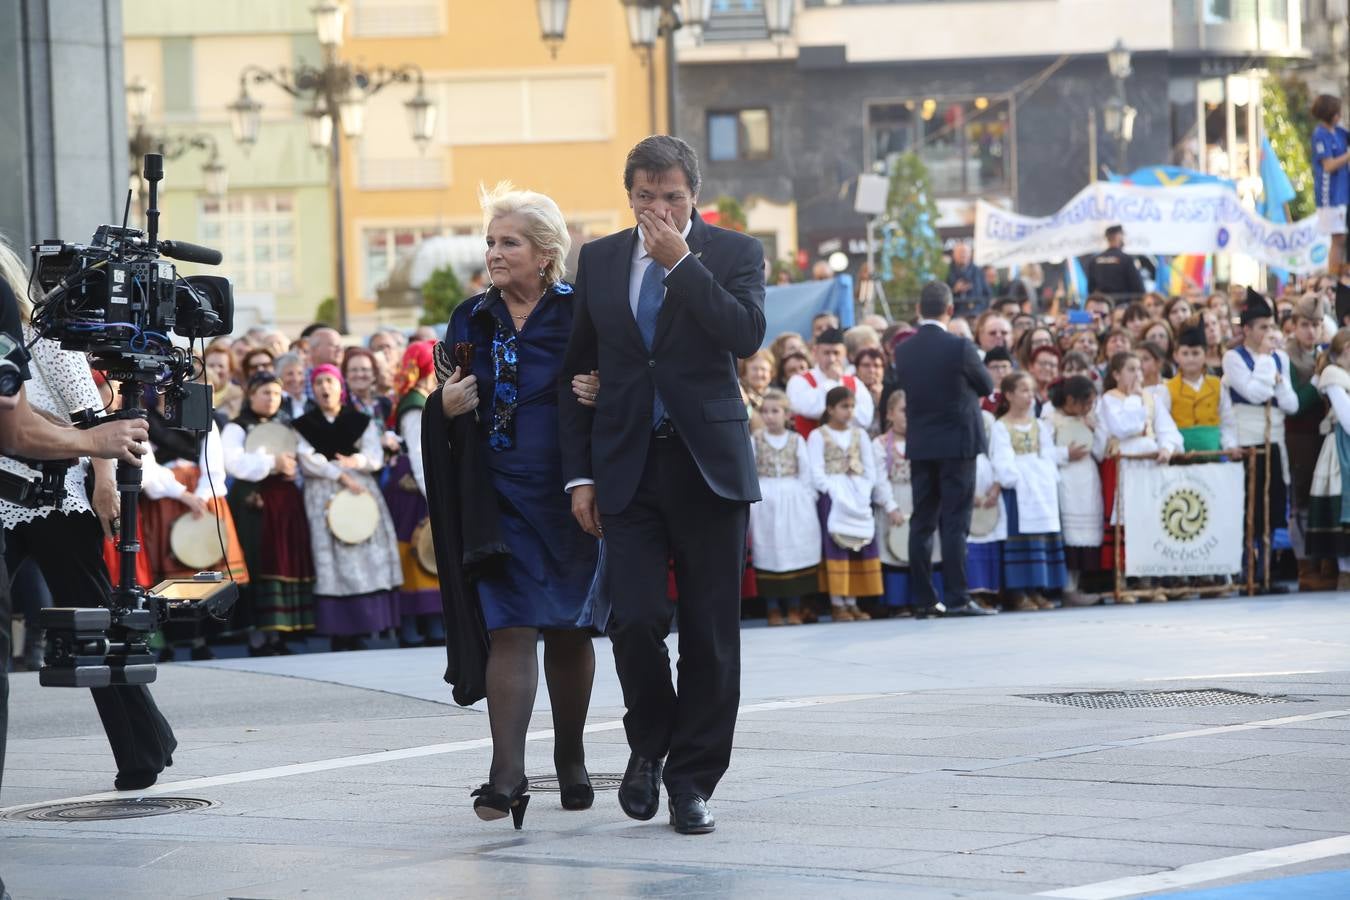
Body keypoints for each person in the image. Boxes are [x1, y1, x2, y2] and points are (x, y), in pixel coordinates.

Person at [559, 135, 765, 835]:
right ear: (630, 196)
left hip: (708, 466)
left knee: (711, 635)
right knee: (635, 619)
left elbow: (744, 334)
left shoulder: (734, 254)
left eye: (671, 196)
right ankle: (650, 743)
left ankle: (692, 781)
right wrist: (580, 475)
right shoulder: (601, 258)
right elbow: (579, 367)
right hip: (627, 467)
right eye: (645, 196)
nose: (658, 209)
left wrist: (683, 265)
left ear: (692, 195)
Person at [431, 184, 603, 831]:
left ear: (545, 253)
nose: (494, 253)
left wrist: (603, 387)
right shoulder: (469, 318)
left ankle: (571, 753)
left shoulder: (581, 312)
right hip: (494, 496)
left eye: (509, 242)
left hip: (568, 494)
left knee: (567, 628)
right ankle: (507, 773)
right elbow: (441, 398)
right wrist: (439, 407)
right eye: (491, 242)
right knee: (510, 626)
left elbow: (622, 381)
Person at [0, 239, 175, 794]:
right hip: (6, 498)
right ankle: (150, 741)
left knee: (92, 626)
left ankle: (142, 747)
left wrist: (104, 484)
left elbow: (94, 420)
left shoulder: (48, 339)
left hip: (57, 501)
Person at [893, 280, 997, 618]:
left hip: (922, 444)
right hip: (958, 443)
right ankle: (957, 597)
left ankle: (923, 599)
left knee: (922, 521)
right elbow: (987, 384)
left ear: (919, 310)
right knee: (955, 522)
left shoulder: (904, 350)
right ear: (950, 310)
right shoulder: (960, 347)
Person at [294, 364, 402, 649]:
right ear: (313, 389)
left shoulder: (360, 420)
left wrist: (358, 463)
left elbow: (375, 456)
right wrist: (339, 474)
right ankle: (338, 629)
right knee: (331, 556)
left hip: (359, 490)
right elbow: (307, 460)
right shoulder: (305, 424)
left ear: (340, 386)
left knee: (362, 550)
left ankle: (364, 626)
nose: (324, 388)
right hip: (325, 491)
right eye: (318, 383)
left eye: (330, 381)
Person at [221, 371, 315, 655]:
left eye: (276, 393)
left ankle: (282, 632)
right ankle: (258, 635)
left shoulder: (286, 425)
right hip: (253, 500)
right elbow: (233, 464)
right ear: (251, 396)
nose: (272, 398)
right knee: (258, 561)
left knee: (285, 559)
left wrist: (291, 467)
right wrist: (271, 462)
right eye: (265, 393)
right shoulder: (237, 427)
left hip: (285, 501)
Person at [1221, 290, 1299, 589]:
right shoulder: (1234, 357)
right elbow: (1255, 393)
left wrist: (1277, 377)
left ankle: (1267, 571)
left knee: (1273, 506)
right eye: (1262, 327)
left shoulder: (1281, 358)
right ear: (1247, 329)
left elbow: (1290, 403)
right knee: (1249, 506)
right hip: (1247, 439)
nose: (1269, 333)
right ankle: (1247, 569)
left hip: (1274, 439)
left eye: (1271, 327)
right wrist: (1268, 364)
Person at [1096, 351, 1183, 603]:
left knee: (1148, 519)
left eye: (1139, 369)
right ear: (1116, 374)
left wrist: (1167, 448)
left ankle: (1148, 579)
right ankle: (1122, 580)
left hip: (1149, 465)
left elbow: (1169, 430)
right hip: (1125, 464)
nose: (1137, 375)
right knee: (1124, 520)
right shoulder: (1110, 400)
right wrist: (1134, 401)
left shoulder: (1151, 399)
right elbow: (1124, 428)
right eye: (1131, 369)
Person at [382, 341, 445, 647]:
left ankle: (434, 622)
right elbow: (420, 453)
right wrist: (432, 493)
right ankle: (412, 627)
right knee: (414, 552)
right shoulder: (414, 404)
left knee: (430, 552)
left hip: (422, 483)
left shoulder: (424, 398)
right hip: (415, 488)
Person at [991, 372, 1068, 611]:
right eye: (1023, 390)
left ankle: (1038, 588)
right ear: (1009, 395)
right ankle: (1018, 592)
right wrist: (1016, 477)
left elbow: (1048, 452)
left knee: (1041, 539)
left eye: (1031, 391)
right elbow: (1002, 459)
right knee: (1020, 539)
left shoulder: (1038, 425)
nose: (1029, 396)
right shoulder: (1001, 426)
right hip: (1019, 489)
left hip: (1039, 486)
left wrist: (1043, 472)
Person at [806, 387, 882, 621]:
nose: (849, 412)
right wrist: (832, 490)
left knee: (857, 544)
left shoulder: (860, 435)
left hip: (857, 495)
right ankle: (837, 602)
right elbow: (816, 470)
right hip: (834, 497)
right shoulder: (819, 435)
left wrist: (864, 488)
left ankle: (854, 601)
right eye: (844, 407)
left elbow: (870, 468)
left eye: (852, 406)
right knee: (837, 545)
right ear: (830, 409)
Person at [749, 389, 820, 626]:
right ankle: (772, 608)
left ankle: (794, 607)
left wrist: (806, 497)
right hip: (766, 503)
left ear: (787, 414)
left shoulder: (796, 440)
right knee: (769, 552)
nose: (769, 416)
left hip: (793, 502)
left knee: (793, 552)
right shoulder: (755, 439)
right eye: (765, 412)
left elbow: (806, 472)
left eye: (775, 411)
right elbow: (750, 470)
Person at [873, 390, 942, 614]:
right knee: (895, 550)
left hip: (920, 499)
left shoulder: (924, 440)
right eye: (903, 410)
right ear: (891, 413)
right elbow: (879, 478)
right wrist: (890, 506)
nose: (909, 415)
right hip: (895, 500)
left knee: (926, 549)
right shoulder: (881, 443)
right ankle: (898, 602)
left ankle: (927, 597)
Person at [1286, 296, 1333, 591]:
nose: (1311, 331)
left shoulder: (1323, 354)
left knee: (1322, 498)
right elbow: (1295, 404)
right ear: (1294, 325)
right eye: (1305, 325)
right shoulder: (1287, 357)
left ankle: (1324, 562)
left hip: (1322, 436)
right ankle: (1305, 566)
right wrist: (1317, 381)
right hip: (1298, 436)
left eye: (1316, 325)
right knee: (1300, 501)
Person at [1046, 376, 1103, 606]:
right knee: (1069, 536)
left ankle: (1077, 585)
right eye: (1085, 403)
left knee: (1085, 538)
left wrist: (1095, 430)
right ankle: (1065, 587)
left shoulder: (1090, 419)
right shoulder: (1051, 419)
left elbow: (1101, 451)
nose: (1088, 408)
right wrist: (1065, 454)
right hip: (1066, 479)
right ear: (1070, 399)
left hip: (1088, 478)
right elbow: (1044, 452)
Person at [1306, 328, 1350, 589]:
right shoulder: (1333, 376)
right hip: (1342, 449)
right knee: (1343, 507)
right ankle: (1345, 572)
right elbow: (1347, 419)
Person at [786, 327, 872, 437]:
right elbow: (808, 409)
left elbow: (865, 419)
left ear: (844, 354)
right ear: (815, 352)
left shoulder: (855, 383)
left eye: (836, 353)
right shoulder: (799, 380)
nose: (831, 359)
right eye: (826, 353)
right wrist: (831, 382)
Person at [1162, 326, 1233, 453]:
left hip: (1214, 453)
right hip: (1180, 456)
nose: (1190, 359)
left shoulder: (1217, 385)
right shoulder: (1167, 388)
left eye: (1195, 353)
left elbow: (1227, 420)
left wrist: (1230, 445)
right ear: (1176, 356)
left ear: (1205, 355)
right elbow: (1163, 424)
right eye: (1185, 353)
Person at [1310, 94, 1350, 278]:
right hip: (1330, 193)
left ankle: (1341, 272)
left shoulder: (1339, 132)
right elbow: (1328, 165)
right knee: (1338, 237)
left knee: (1342, 236)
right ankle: (1333, 277)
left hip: (1343, 191)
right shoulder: (1320, 135)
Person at [1086, 225, 1145, 302]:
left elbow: (1091, 289)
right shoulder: (1127, 259)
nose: (1124, 239)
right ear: (1118, 236)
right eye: (1123, 236)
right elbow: (1139, 288)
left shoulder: (1094, 260)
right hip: (1123, 306)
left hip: (1103, 305)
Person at [945, 241, 990, 316]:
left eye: (965, 252)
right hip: (954, 314)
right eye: (960, 252)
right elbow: (941, 296)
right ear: (954, 254)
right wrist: (954, 290)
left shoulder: (978, 271)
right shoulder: (946, 271)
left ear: (970, 254)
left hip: (976, 313)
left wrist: (981, 310)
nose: (963, 255)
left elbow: (986, 294)